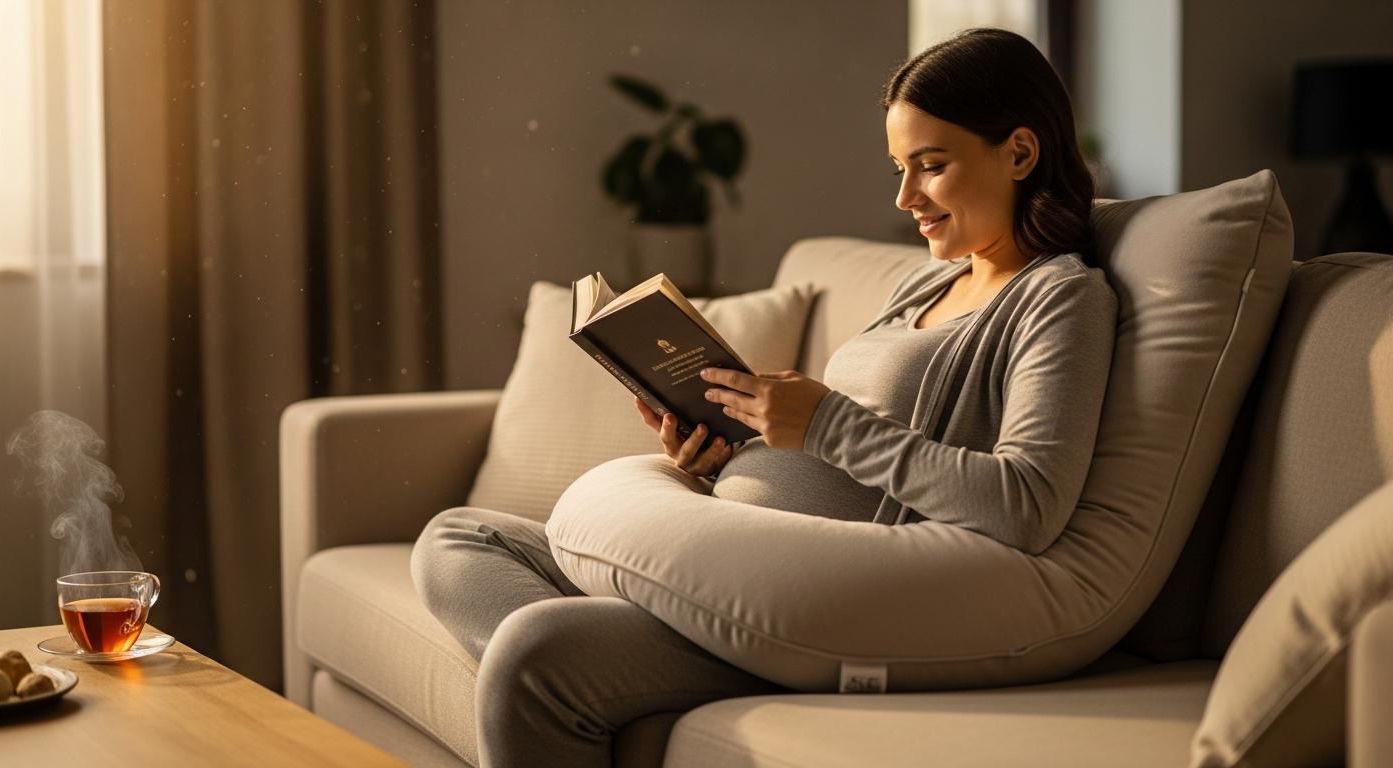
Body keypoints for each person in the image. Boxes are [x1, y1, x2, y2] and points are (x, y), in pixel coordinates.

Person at [411, 27, 1115, 767]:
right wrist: (721, 451)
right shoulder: (931, 280)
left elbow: (1027, 502)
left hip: (811, 614)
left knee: (534, 652)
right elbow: (825, 444)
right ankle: (630, 653)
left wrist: (826, 423)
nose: (905, 197)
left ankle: (611, 662)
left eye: (930, 167)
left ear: (1020, 153)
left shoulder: (1060, 300)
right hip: (723, 570)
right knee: (459, 539)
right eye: (900, 168)